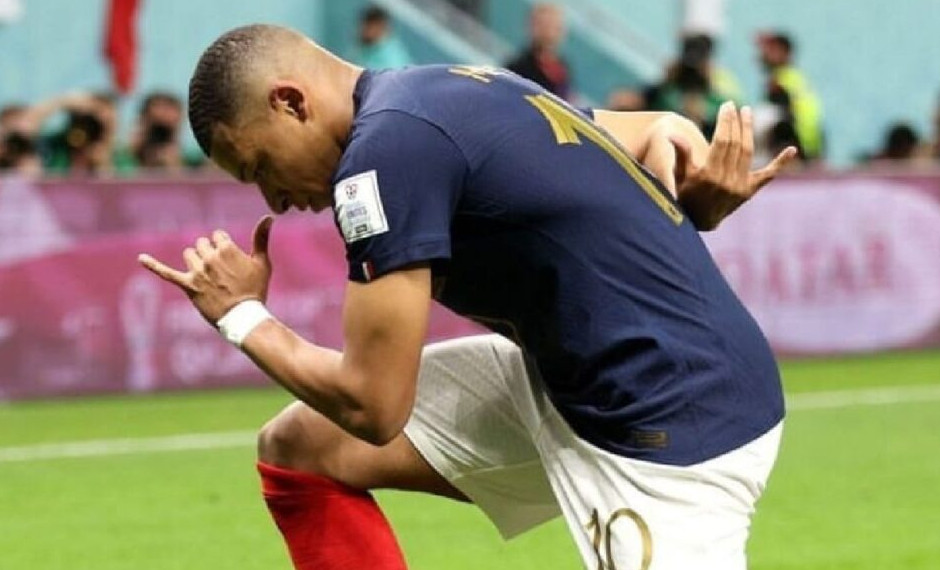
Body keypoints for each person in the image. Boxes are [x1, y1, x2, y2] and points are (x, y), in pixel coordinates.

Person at [139, 25, 796, 570]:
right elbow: (656, 131)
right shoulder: (445, 87)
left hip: (670, 420)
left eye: (259, 166)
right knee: (302, 449)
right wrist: (691, 181)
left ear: (290, 102)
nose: (274, 200)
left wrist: (242, 317)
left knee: (347, 418)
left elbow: (374, 405)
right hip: (586, 382)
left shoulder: (380, 160)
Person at [756, 31, 824, 162]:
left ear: (784, 52)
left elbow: (775, 117)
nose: (763, 55)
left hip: (795, 142)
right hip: (811, 143)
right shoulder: (797, 77)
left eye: (771, 50)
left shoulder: (779, 82)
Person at [505, 3, 571, 100]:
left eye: (554, 27)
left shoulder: (564, 70)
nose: (549, 33)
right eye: (544, 26)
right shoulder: (517, 69)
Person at [127, 91, 186, 171]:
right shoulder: (121, 162)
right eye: (156, 130)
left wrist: (176, 168)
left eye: (165, 133)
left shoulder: (194, 163)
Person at [351, 6, 413, 70]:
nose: (363, 30)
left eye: (370, 26)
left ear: (381, 27)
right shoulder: (367, 47)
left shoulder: (392, 59)